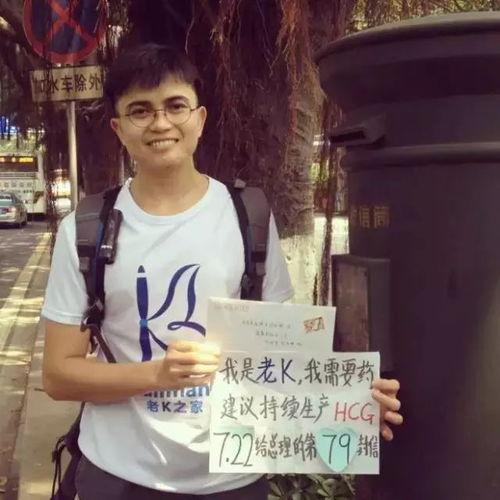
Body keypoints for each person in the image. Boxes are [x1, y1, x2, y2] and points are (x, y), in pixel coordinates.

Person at [41, 43, 402, 499]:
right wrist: (157, 374)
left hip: (234, 476)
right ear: (119, 127)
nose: (160, 123)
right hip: (122, 476)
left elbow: (281, 352)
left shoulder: (247, 216)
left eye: (176, 106)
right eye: (140, 110)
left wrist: (351, 400)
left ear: (200, 118)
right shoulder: (87, 229)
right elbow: (59, 375)